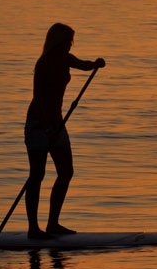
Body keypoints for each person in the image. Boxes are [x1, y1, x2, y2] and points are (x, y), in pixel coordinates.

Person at [25, 23, 105, 239]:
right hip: (38, 124)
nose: (70, 44)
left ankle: (53, 224)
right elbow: (39, 99)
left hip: (57, 123)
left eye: (72, 41)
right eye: (68, 40)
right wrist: (48, 127)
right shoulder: (43, 64)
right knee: (37, 175)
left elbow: (83, 65)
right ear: (57, 41)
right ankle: (33, 228)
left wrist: (95, 64)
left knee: (66, 172)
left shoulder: (66, 58)